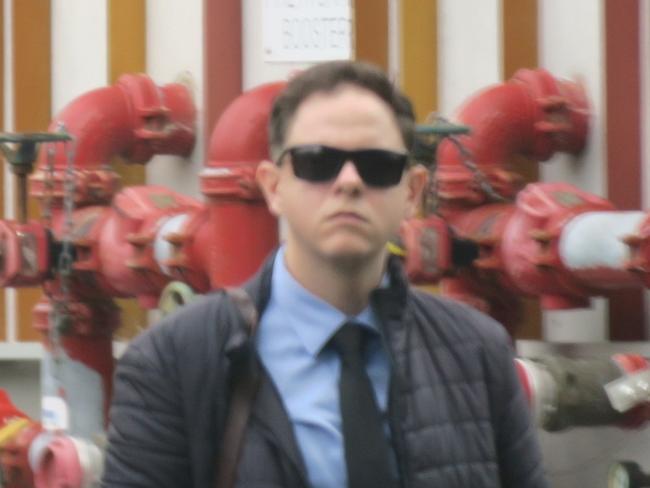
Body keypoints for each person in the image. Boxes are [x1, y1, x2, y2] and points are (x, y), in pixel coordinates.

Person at [102, 60, 548, 488]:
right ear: (273, 187)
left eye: (376, 165)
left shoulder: (478, 352)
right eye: (318, 161)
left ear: (411, 192)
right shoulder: (174, 361)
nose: (349, 181)